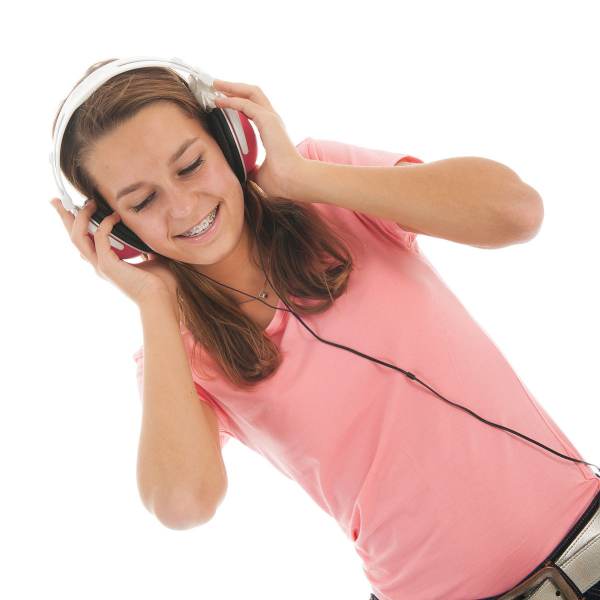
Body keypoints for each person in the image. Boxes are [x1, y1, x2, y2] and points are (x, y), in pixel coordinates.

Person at [50, 60, 600, 599]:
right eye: (143, 201)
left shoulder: (323, 182)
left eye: (190, 165)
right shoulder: (176, 350)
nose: (182, 206)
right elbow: (182, 504)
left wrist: (301, 177)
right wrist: (153, 302)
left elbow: (516, 212)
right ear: (116, 231)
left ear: (230, 139)